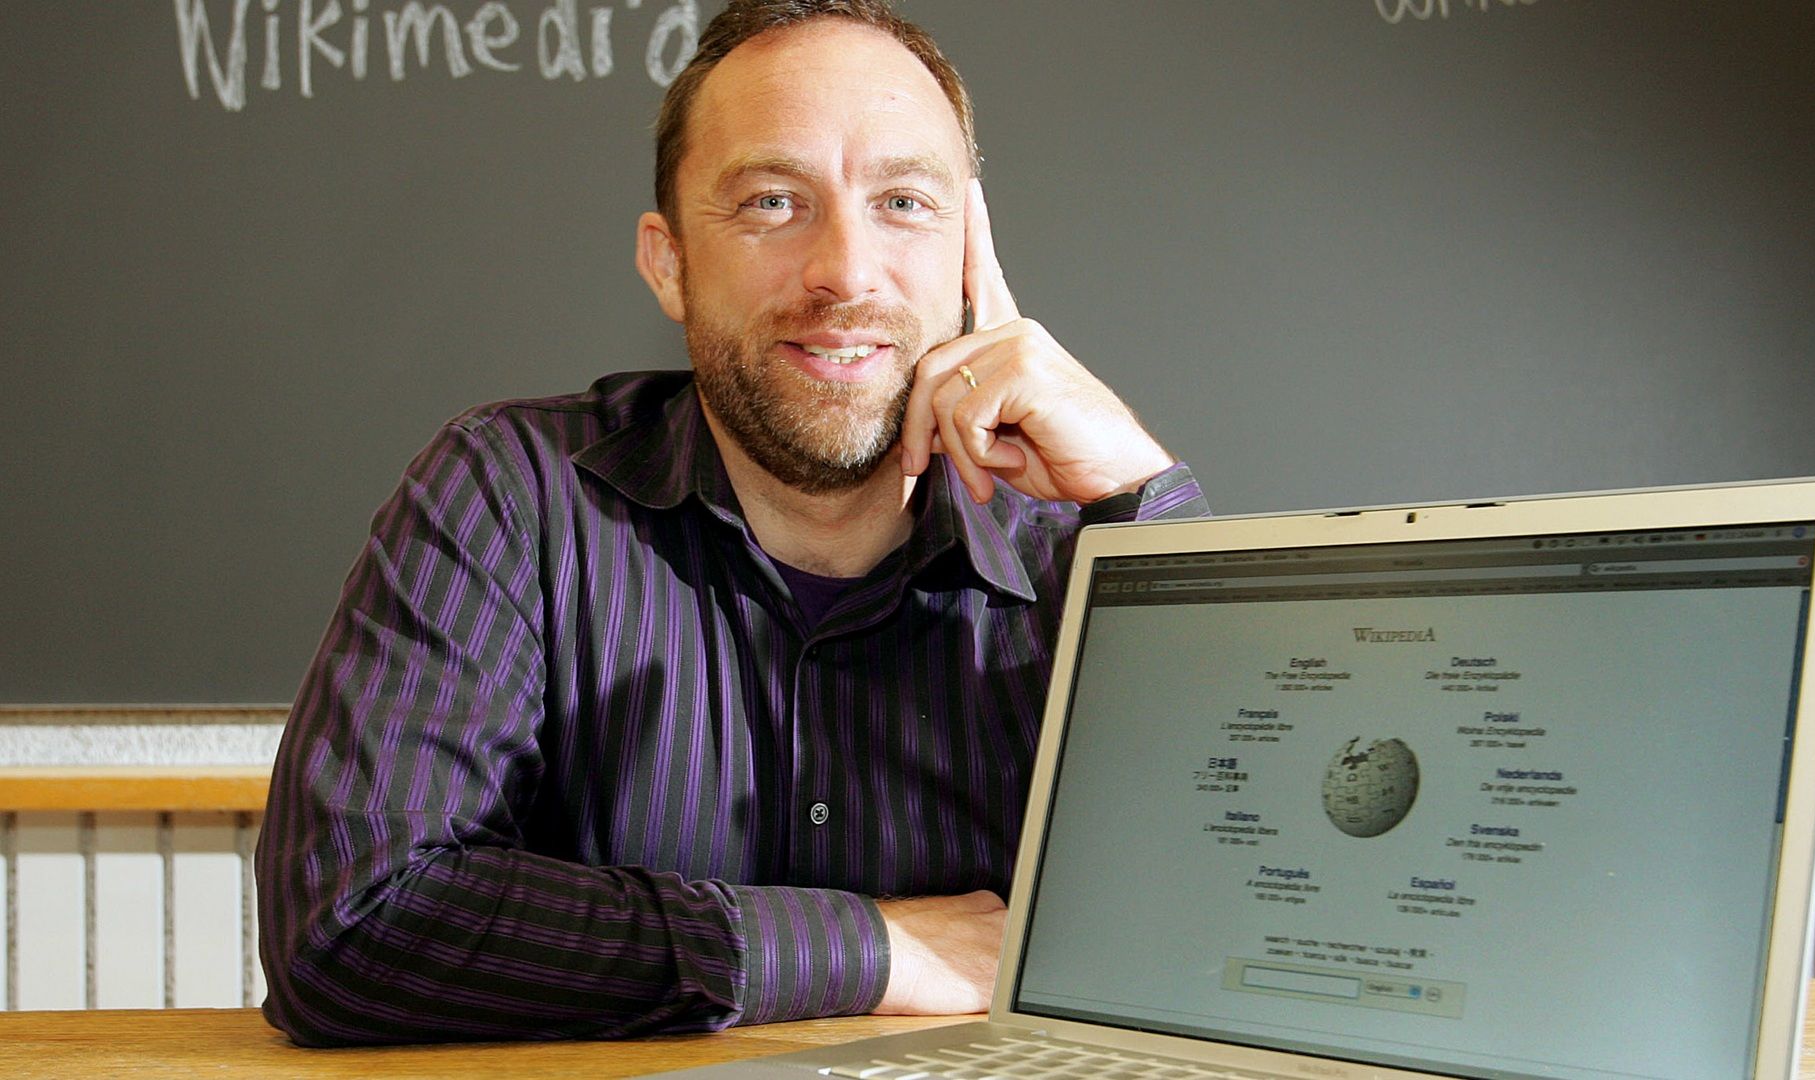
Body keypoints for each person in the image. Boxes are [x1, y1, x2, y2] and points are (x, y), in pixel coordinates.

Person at [257, 0, 1205, 1046]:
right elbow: (351, 923)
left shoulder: (1081, 546)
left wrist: (1145, 504)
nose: (846, 270)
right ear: (670, 264)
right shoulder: (511, 494)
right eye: (772, 202)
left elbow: (1256, 923)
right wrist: (870, 948)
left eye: (903, 202)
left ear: (970, 257)